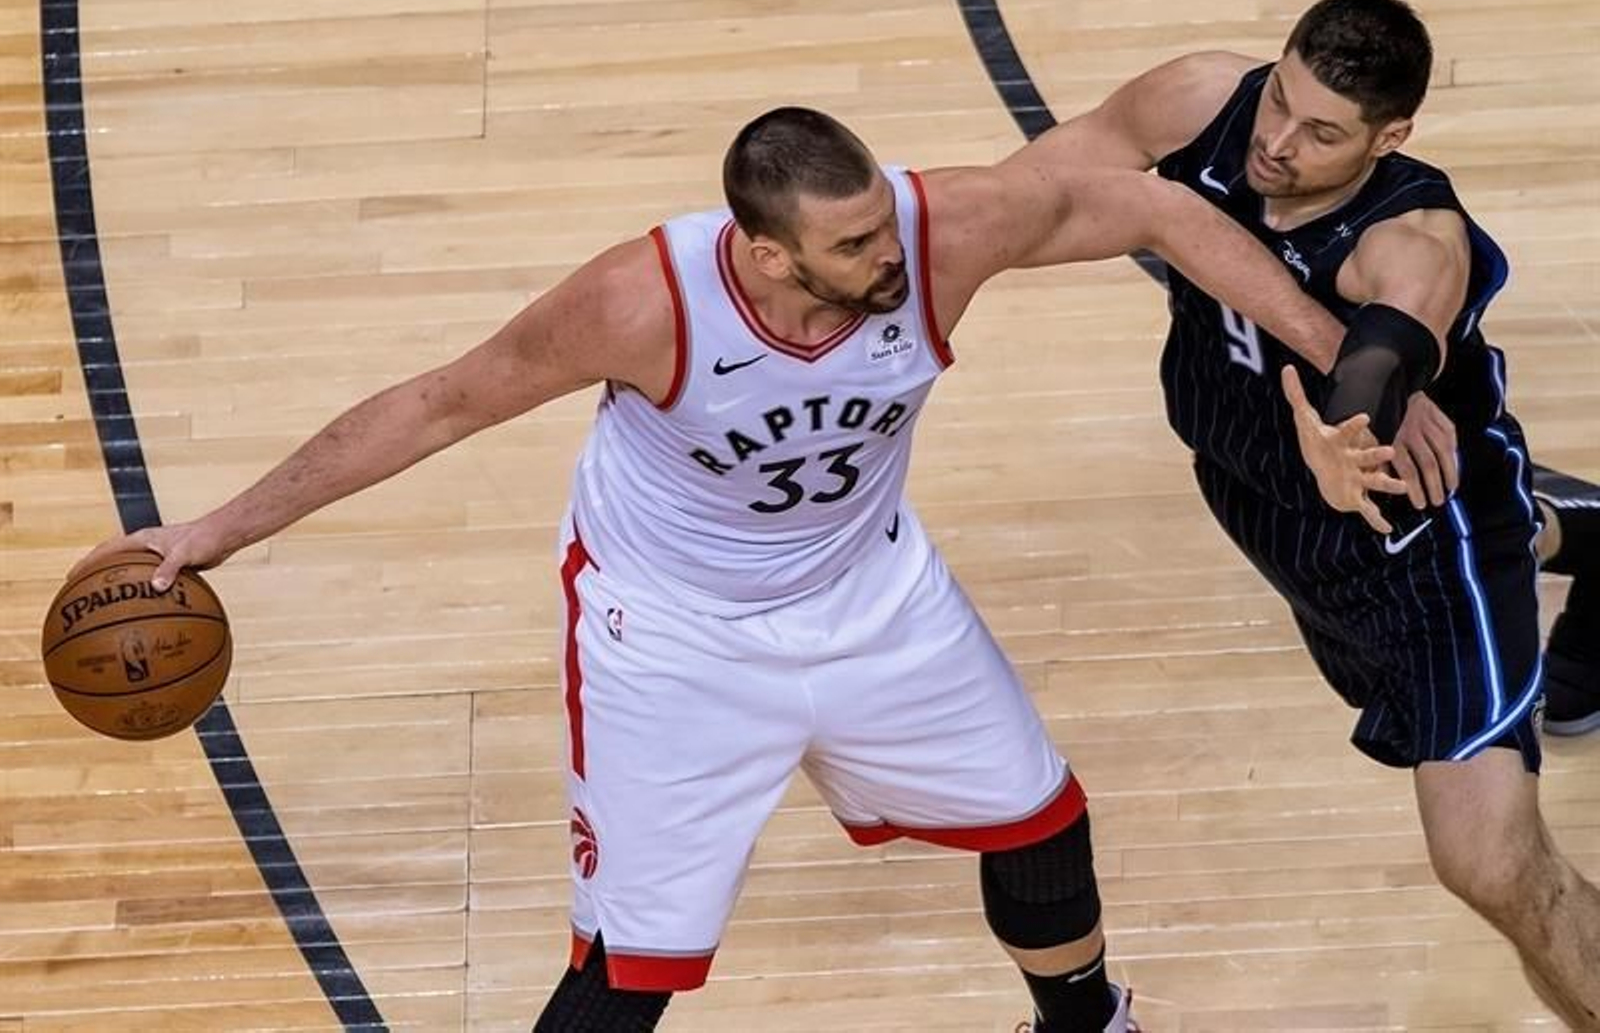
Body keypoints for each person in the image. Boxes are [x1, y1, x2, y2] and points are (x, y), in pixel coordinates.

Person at [70, 108, 1391, 1031]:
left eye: (886, 226)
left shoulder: (944, 231)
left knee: (1041, 824)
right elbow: (436, 404)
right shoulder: (643, 302)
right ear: (764, 252)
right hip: (674, 634)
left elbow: (1151, 206)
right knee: (632, 968)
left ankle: (1084, 1022)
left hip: (868, 590)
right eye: (855, 246)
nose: (892, 258)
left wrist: (1340, 361)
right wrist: (216, 533)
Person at [1010, 0, 1600, 1026]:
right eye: (1279, 99)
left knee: (1490, 864)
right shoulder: (1201, 97)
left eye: (1321, 131)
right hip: (1264, 503)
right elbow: (1032, 188)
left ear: (1390, 137)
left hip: (1418, 539)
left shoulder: (1413, 237)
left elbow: (1381, 352)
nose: (1277, 142)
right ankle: (1588, 534)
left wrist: (1348, 429)